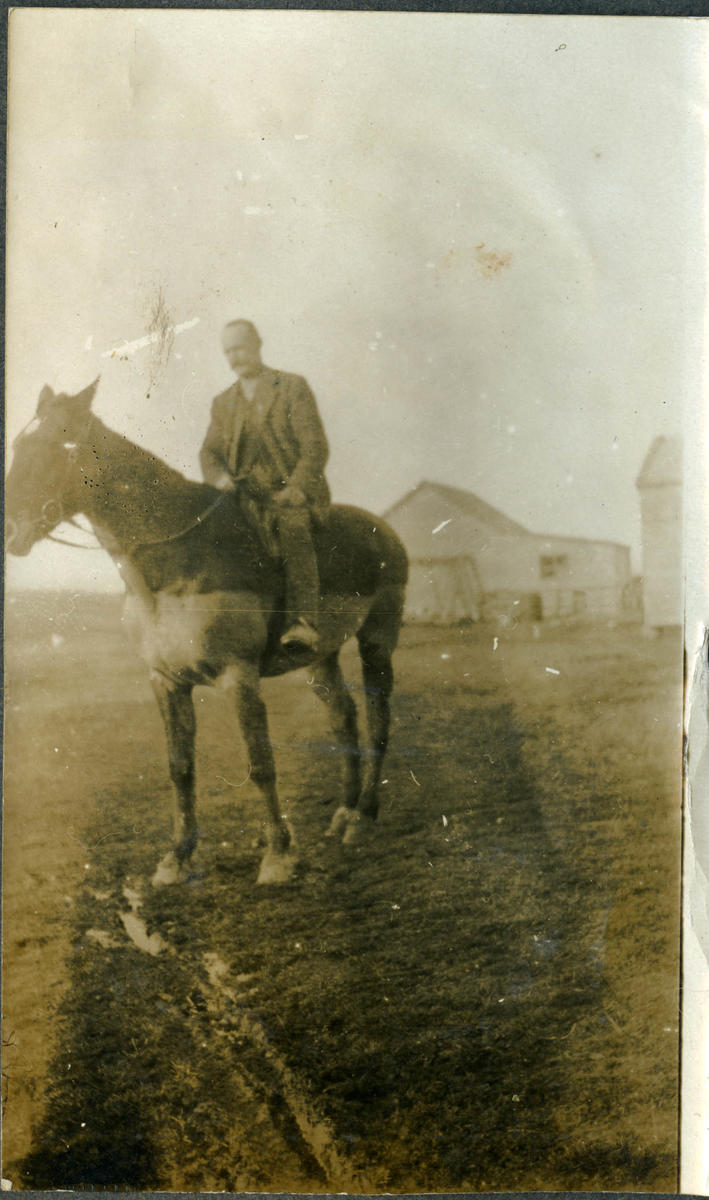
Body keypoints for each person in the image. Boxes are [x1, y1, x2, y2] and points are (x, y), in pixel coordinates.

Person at [200, 319, 330, 652]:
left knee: (292, 528)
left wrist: (299, 486)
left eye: (240, 348)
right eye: (227, 351)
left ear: (258, 344)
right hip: (245, 498)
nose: (234, 357)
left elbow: (314, 446)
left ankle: (303, 623)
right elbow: (209, 452)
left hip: (290, 496)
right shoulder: (222, 402)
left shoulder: (290, 387)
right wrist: (218, 478)